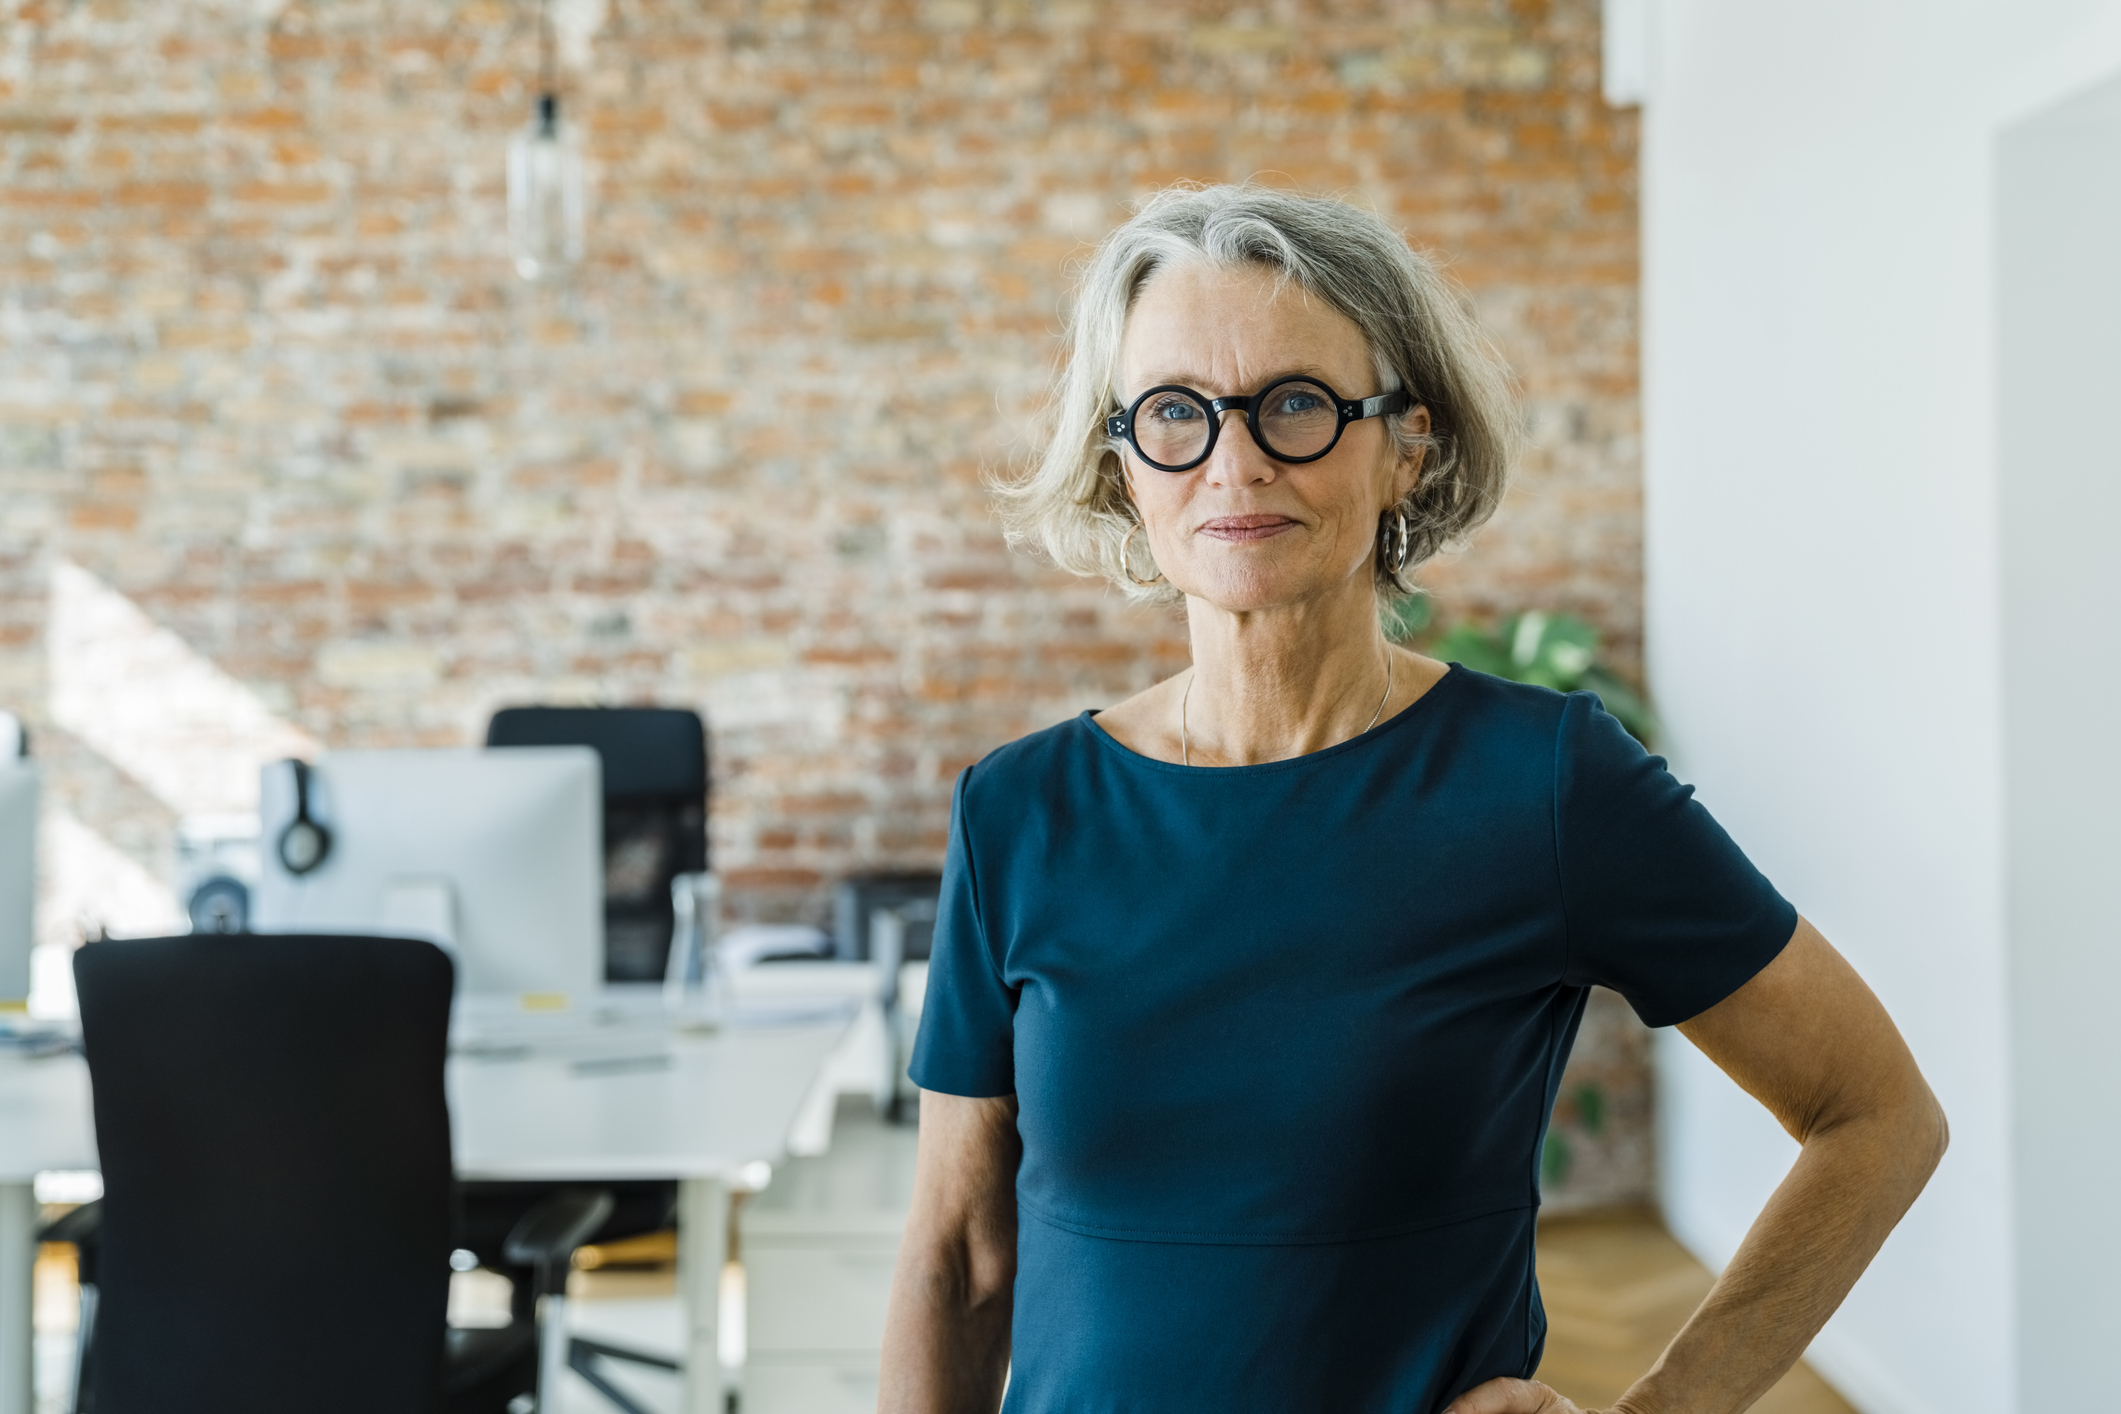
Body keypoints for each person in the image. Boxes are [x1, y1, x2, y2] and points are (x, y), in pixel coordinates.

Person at [878, 184, 1945, 1414]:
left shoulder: (1544, 784)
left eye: (1297, 404)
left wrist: (1666, 1408)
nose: (1235, 462)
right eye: (1175, 411)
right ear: (1124, 463)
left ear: (1407, 446)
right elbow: (957, 1258)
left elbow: (1877, 1114)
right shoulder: (1020, 812)